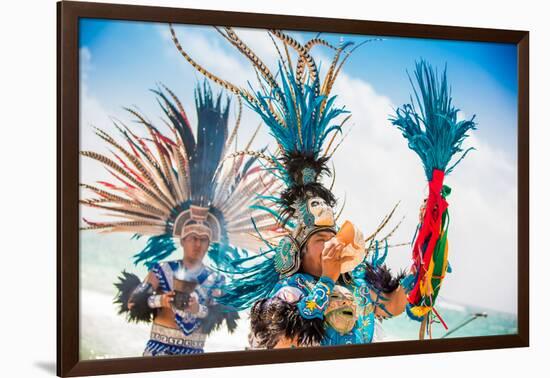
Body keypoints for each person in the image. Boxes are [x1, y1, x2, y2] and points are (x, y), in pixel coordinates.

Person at [167, 25, 412, 348]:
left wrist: (429, 251)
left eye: (332, 237)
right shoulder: (288, 293)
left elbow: (395, 305)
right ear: (295, 252)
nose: (331, 244)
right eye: (321, 239)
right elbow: (287, 341)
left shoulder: (358, 290)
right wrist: (326, 278)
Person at [81, 80, 281, 355]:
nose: (198, 243)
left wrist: (198, 307)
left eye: (203, 239)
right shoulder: (161, 271)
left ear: (211, 243)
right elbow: (132, 302)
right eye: (193, 237)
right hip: (157, 352)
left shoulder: (216, 280)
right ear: (182, 238)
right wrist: (163, 300)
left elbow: (223, 313)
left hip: (194, 357)